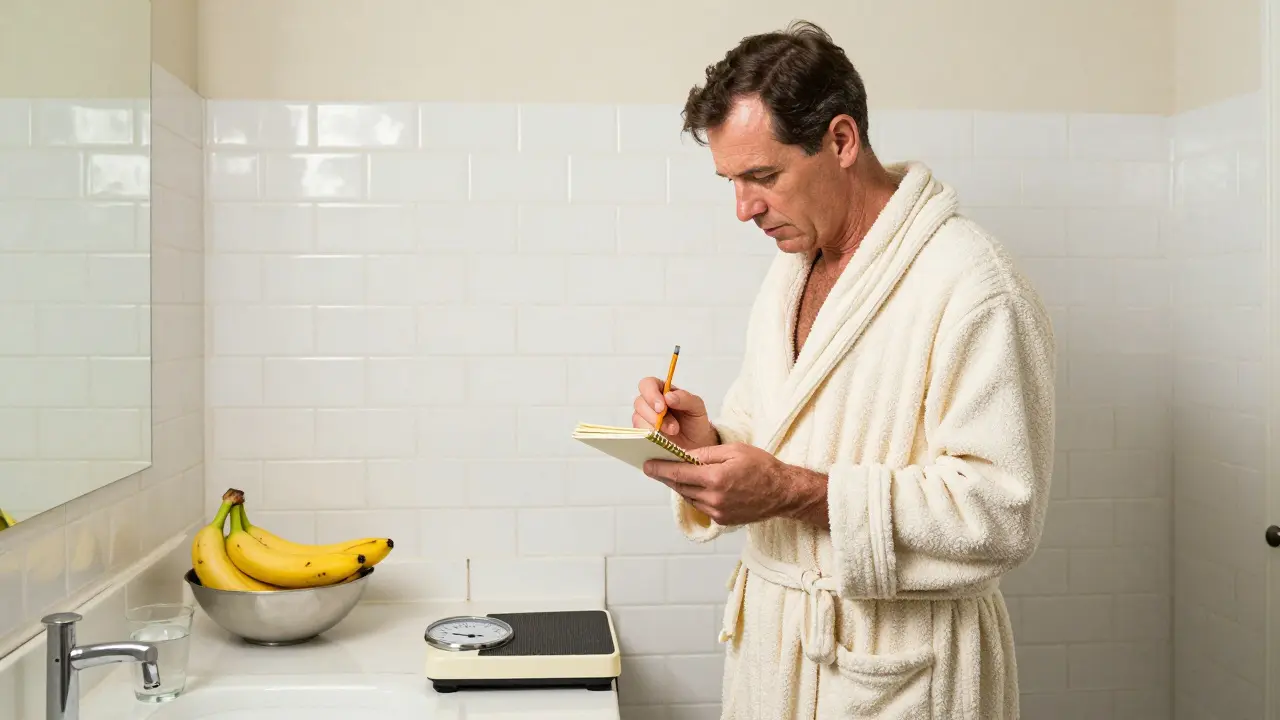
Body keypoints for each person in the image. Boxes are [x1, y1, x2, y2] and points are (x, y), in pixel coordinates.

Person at [630, 20, 1056, 720]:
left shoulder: (974, 285)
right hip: (777, 656)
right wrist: (705, 442)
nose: (744, 210)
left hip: (896, 673)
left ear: (840, 140)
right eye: (731, 181)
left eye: (763, 176)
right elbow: (783, 429)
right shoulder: (793, 269)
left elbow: (1000, 514)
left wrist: (790, 491)